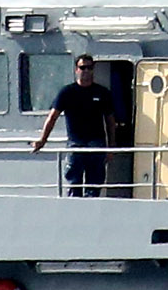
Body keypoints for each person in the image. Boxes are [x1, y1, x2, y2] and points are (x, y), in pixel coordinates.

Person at [34, 52, 124, 197]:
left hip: (96, 144)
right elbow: (52, 117)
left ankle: (91, 212)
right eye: (83, 68)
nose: (86, 71)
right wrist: (42, 140)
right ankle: (73, 213)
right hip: (75, 144)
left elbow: (110, 121)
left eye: (89, 68)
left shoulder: (102, 93)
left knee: (94, 186)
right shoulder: (67, 92)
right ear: (76, 69)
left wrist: (111, 147)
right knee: (74, 184)